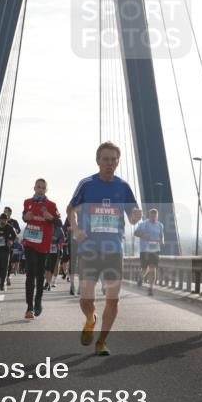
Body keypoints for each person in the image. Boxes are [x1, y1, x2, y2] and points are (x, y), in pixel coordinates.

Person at [67, 141, 142, 356]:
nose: (110, 163)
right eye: (106, 159)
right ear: (98, 161)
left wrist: (136, 216)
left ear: (118, 162)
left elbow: (133, 215)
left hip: (114, 250)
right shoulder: (87, 184)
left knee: (113, 299)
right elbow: (70, 208)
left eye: (113, 160)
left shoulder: (123, 186)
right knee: (86, 298)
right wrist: (76, 229)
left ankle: (101, 341)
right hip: (89, 249)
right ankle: (91, 318)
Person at [22, 179, 62, 319]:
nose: (40, 189)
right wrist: (25, 217)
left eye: (43, 187)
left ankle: (38, 302)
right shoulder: (27, 202)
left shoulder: (51, 205)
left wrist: (50, 217)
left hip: (43, 244)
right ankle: (29, 307)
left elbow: (59, 222)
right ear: (34, 188)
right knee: (30, 274)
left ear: (46, 190)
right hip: (29, 242)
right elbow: (24, 216)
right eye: (38, 187)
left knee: (40, 275)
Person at [136, 208, 166, 296]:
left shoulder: (160, 225)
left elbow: (161, 235)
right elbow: (135, 233)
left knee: (153, 269)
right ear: (149, 215)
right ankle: (141, 278)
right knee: (145, 269)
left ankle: (150, 288)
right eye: (151, 216)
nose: (153, 217)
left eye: (155, 216)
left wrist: (162, 240)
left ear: (157, 216)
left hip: (155, 250)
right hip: (144, 250)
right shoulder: (143, 224)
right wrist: (143, 235)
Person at [0, 214, 18, 291]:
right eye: (2, 220)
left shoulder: (9, 228)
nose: (3, 222)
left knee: (4, 267)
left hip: (5, 250)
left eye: (5, 221)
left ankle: (2, 283)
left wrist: (11, 241)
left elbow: (15, 237)